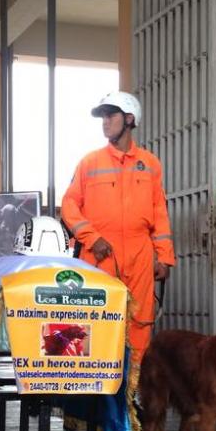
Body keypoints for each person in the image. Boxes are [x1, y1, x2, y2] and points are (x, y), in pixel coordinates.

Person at [60, 91, 175, 364]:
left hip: (139, 254)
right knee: (96, 319)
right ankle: (97, 394)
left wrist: (165, 256)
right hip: (99, 254)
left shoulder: (150, 163)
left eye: (110, 115)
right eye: (103, 116)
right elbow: (68, 206)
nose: (105, 121)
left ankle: (132, 394)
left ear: (129, 118)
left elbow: (159, 212)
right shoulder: (90, 162)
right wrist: (91, 237)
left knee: (140, 320)